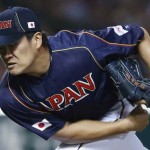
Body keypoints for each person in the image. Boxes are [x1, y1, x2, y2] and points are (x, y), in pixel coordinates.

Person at [0, 6, 149, 150]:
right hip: (88, 128)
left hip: (114, 105)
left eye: (12, 45)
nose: (6, 55)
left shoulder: (82, 47)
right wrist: (127, 125)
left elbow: (139, 35)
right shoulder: (10, 95)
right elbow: (65, 131)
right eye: (1, 49)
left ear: (37, 39)